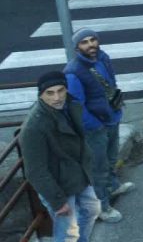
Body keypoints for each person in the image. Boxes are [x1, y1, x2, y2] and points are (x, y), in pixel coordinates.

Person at [21, 71, 102, 242]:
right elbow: (35, 171)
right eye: (50, 93)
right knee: (67, 234)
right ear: (40, 95)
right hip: (57, 184)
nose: (57, 97)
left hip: (76, 175)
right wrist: (58, 201)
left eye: (61, 90)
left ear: (66, 89)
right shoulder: (34, 127)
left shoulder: (69, 106)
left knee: (92, 209)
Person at [64, 29, 134, 224]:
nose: (90, 44)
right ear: (77, 47)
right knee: (98, 168)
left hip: (111, 117)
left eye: (92, 39)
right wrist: (96, 125)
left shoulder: (103, 58)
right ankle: (101, 207)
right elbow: (76, 107)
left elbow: (110, 84)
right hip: (95, 127)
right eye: (84, 42)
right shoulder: (73, 72)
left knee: (111, 158)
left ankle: (112, 187)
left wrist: (115, 111)